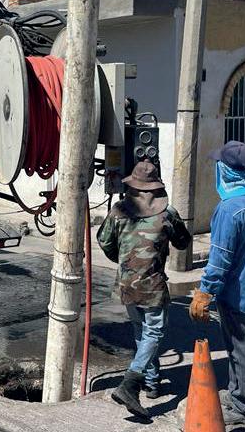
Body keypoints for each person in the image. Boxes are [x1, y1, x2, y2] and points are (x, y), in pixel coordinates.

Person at [189, 140, 245, 426]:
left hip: (235, 291)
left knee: (240, 347)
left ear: (225, 171)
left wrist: (205, 293)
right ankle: (237, 393)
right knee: (239, 344)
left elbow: (219, 259)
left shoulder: (229, 209)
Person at [98, 161, 191, 418]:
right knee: (154, 332)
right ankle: (131, 383)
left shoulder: (118, 211)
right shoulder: (168, 214)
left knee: (142, 331)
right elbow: (183, 242)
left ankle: (151, 382)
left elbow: (104, 241)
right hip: (153, 287)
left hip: (126, 284)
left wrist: (125, 261)